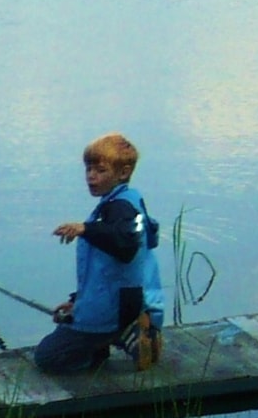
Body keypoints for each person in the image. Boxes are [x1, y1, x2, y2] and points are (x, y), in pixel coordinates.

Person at [31, 131, 167, 376]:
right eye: (88, 170)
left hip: (114, 310)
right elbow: (104, 269)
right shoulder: (125, 202)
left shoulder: (122, 208)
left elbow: (126, 244)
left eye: (100, 171)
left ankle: (124, 335)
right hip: (121, 303)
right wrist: (76, 301)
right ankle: (113, 339)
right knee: (72, 338)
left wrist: (84, 229)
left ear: (123, 173)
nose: (91, 177)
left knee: (47, 358)